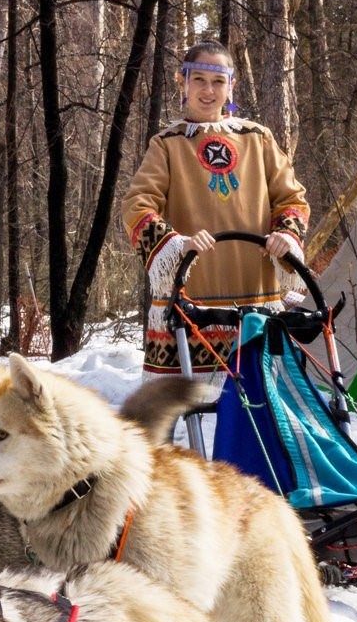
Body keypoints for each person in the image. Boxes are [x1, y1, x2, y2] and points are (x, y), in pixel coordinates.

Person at [120, 40, 310, 381]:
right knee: (185, 420)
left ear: (231, 86)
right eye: (199, 80)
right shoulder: (167, 144)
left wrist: (286, 234)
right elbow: (138, 206)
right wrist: (176, 244)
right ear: (183, 82)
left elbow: (292, 200)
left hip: (257, 303)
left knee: (258, 414)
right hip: (190, 309)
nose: (208, 90)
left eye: (218, 81)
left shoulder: (258, 138)